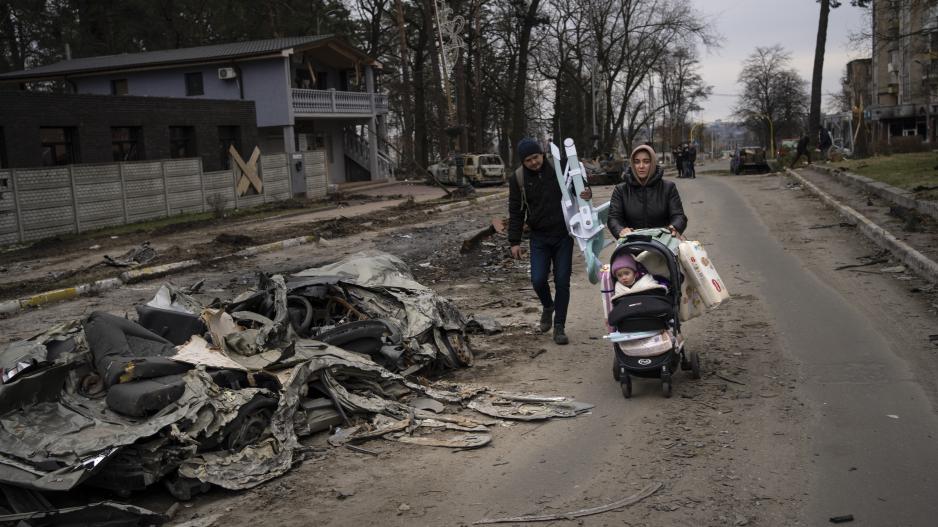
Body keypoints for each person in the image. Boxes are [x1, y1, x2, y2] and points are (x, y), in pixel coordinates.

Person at [508, 137, 592, 345]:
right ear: (522, 162)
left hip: (563, 234)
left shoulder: (559, 166)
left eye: (535, 157)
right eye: (528, 160)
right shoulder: (518, 179)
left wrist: (586, 193)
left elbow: (578, 184)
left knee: (562, 281)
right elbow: (515, 211)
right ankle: (548, 306)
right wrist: (514, 241)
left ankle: (559, 327)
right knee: (537, 280)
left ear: (542, 154)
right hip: (539, 237)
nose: (533, 163)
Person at [607, 144, 688, 239]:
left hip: (663, 242)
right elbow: (614, 218)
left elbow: (678, 215)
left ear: (653, 163)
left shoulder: (668, 187)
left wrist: (675, 227)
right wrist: (620, 230)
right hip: (631, 243)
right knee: (620, 255)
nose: (641, 166)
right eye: (637, 162)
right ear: (632, 164)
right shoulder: (621, 190)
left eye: (646, 162)